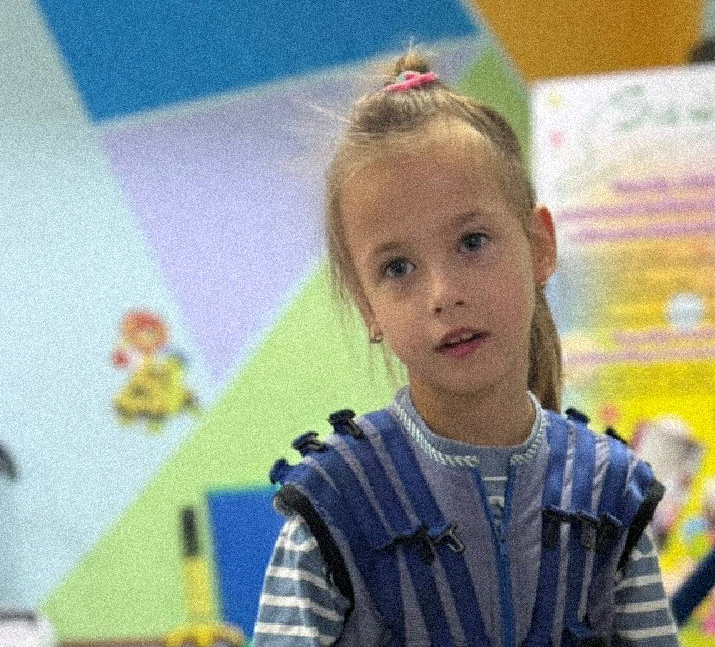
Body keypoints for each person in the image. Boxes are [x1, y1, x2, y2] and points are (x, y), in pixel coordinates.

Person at [253, 50, 680, 647]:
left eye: (472, 242)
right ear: (366, 304)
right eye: (398, 267)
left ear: (539, 246)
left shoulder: (610, 492)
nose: (444, 294)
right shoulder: (334, 506)